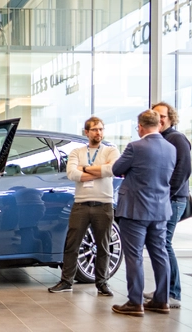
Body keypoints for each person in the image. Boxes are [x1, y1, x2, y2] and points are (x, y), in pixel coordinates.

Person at [111, 110, 176, 317]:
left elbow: (116, 169)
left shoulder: (135, 147)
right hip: (160, 210)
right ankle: (162, 300)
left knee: (134, 256)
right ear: (159, 124)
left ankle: (135, 302)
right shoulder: (171, 148)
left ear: (140, 126)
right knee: (160, 254)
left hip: (135, 210)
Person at [48, 117, 120, 296]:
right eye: (94, 130)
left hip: (104, 204)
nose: (98, 133)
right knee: (72, 245)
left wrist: (85, 169)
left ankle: (102, 283)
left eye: (101, 129)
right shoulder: (77, 152)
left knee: (103, 246)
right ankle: (66, 281)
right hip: (81, 204)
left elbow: (112, 169)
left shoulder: (111, 151)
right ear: (86, 132)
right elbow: (72, 173)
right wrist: (99, 170)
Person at [145, 102, 192, 309]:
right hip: (163, 199)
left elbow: (184, 170)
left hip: (173, 199)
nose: (159, 119)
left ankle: (172, 293)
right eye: (155, 115)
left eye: (162, 116)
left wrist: (166, 194)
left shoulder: (176, 138)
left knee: (164, 244)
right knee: (159, 245)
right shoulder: (160, 139)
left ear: (171, 118)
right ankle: (163, 290)